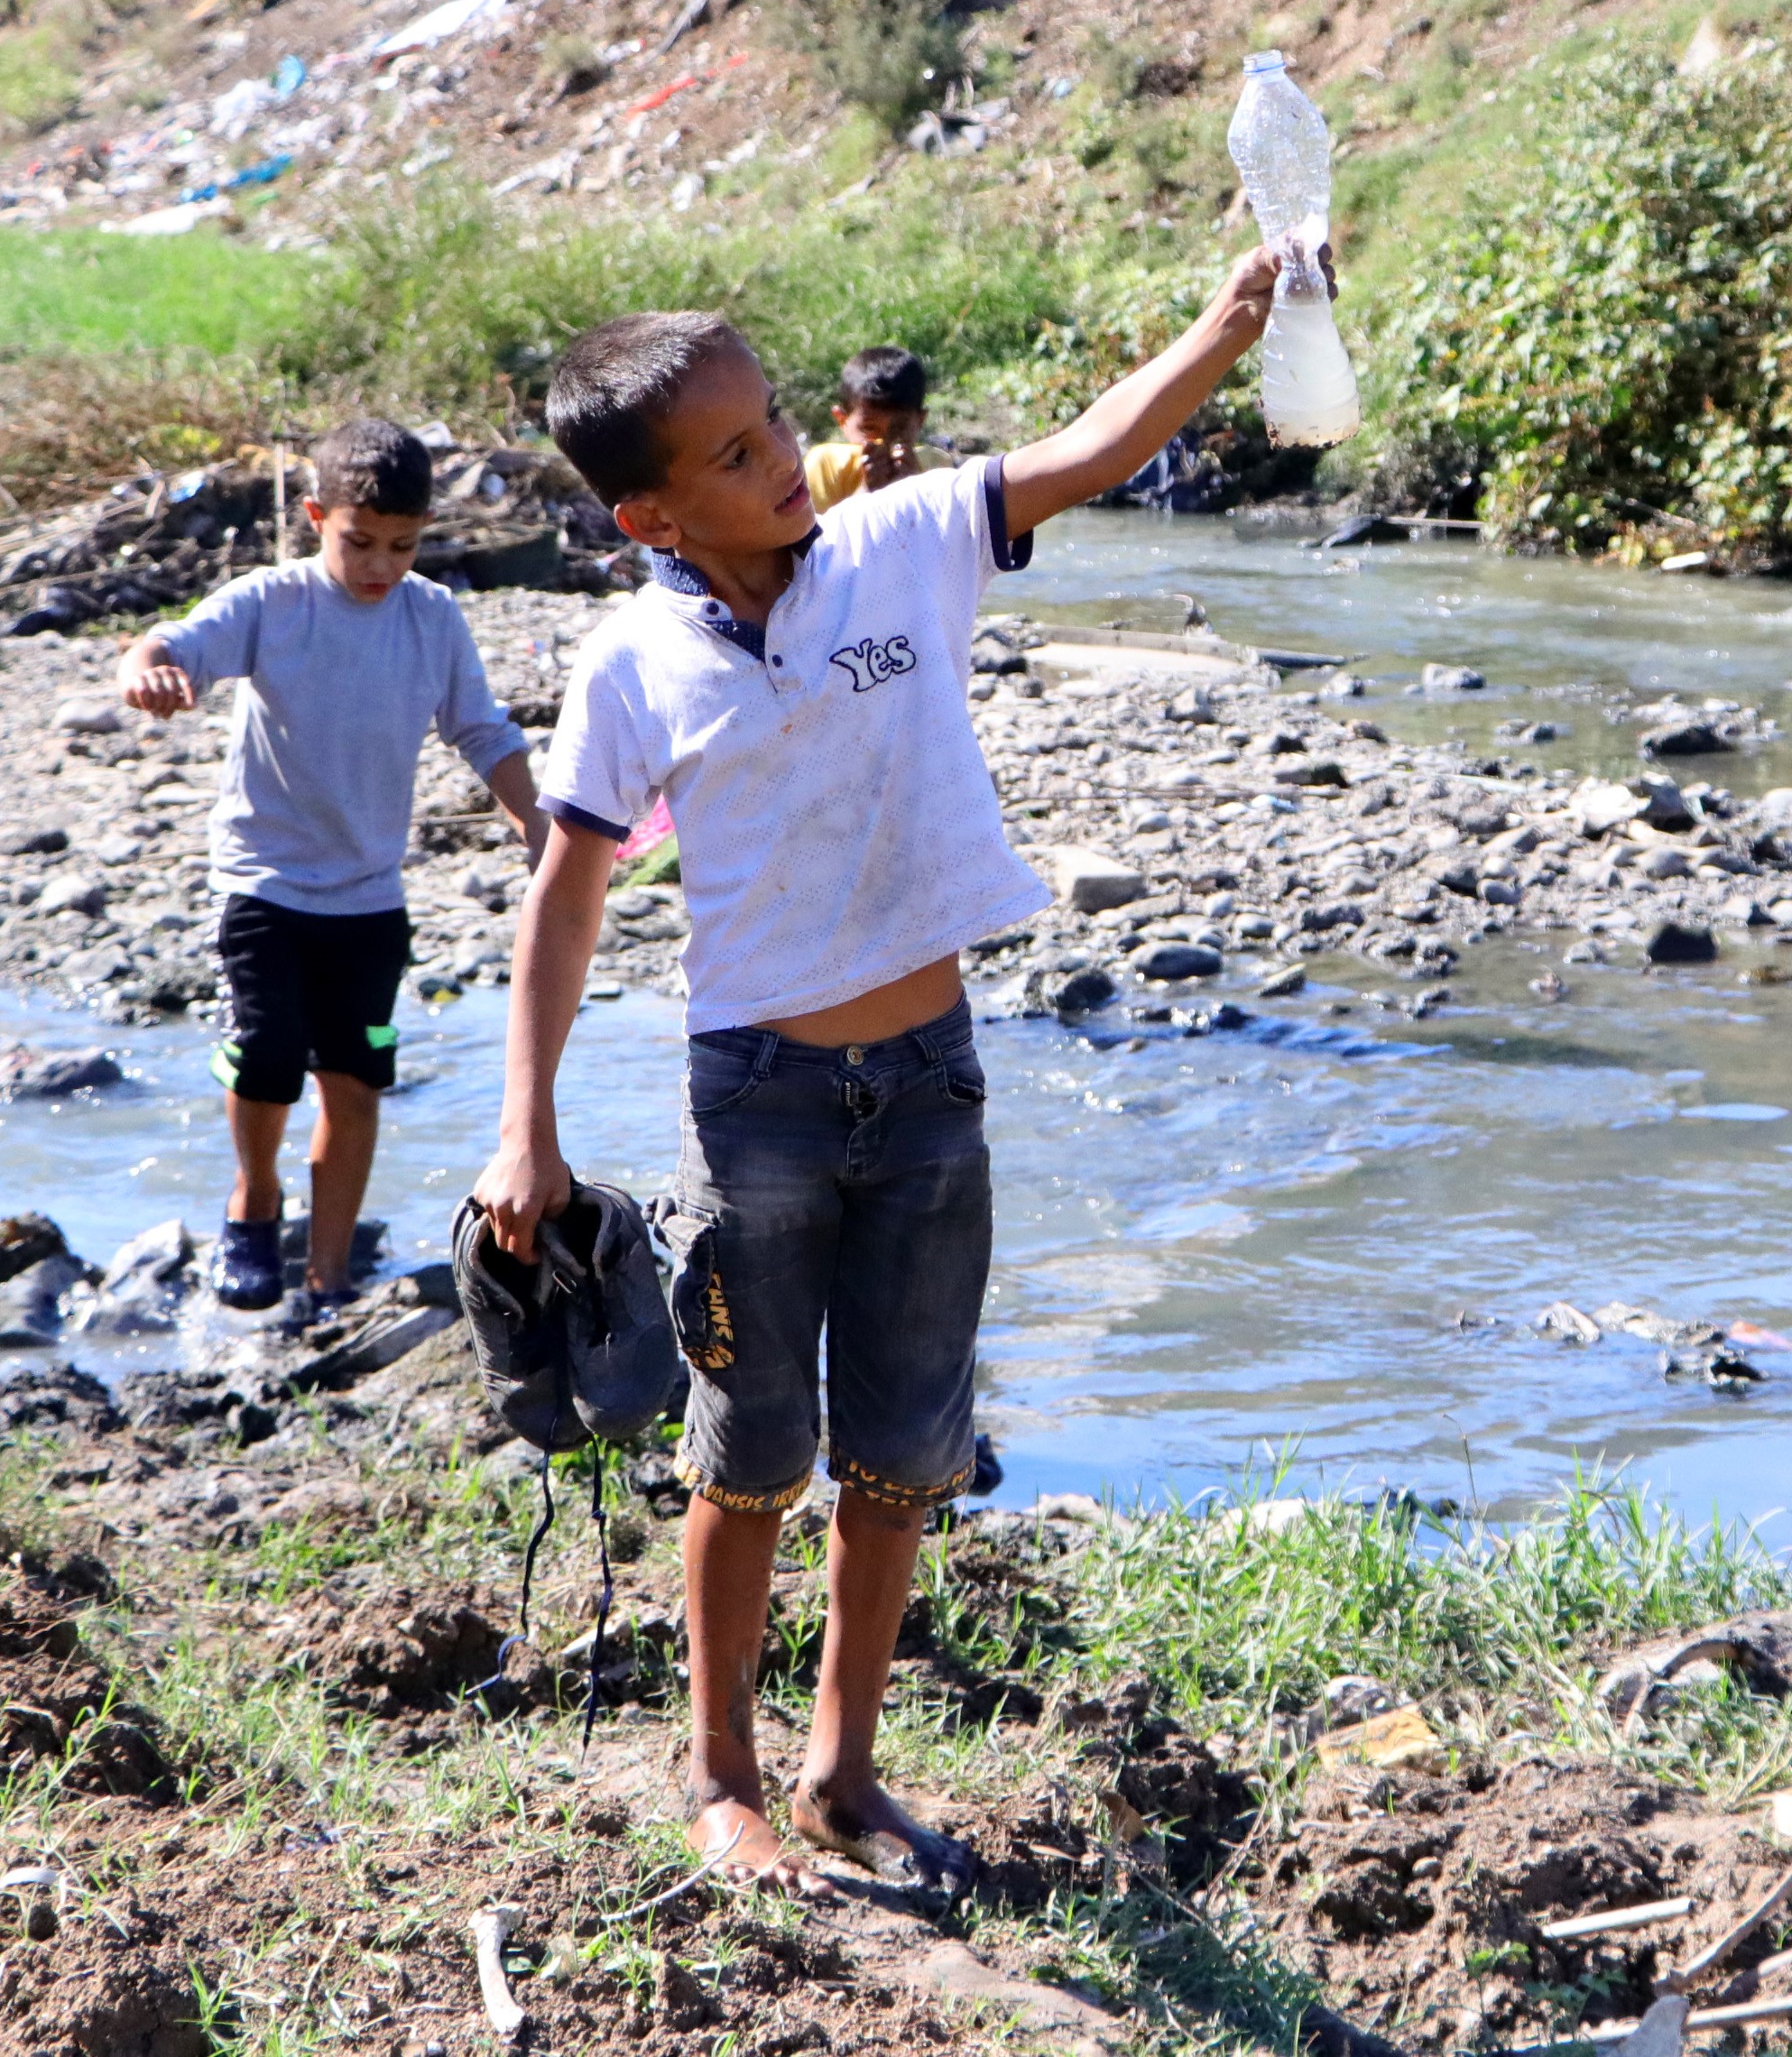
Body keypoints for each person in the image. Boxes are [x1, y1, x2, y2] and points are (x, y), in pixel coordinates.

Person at [471, 241, 1303, 1895]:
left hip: (931, 1082)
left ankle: (845, 1771)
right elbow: (567, 895)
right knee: (748, 1449)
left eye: (771, 419)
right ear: (648, 518)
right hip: (758, 1097)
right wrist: (526, 1127)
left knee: (902, 1451)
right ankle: (724, 1774)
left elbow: (1094, 446)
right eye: (729, 453)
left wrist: (1224, 322)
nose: (779, 455)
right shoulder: (631, 664)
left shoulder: (903, 543)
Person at [120, 419, 548, 1318]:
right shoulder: (273, 604)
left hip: (368, 897)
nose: (380, 565)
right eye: (359, 542)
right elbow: (170, 645)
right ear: (317, 517)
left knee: (355, 1083)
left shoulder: (431, 617)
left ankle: (328, 1275)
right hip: (263, 882)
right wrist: (146, 672)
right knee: (268, 1056)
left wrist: (538, 825)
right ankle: (254, 1202)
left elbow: (482, 730)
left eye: (403, 545)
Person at [800, 344, 956, 512]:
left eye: (899, 429)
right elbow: (819, 535)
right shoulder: (826, 465)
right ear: (842, 419)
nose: (884, 442)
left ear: (920, 421)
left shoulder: (935, 465)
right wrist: (866, 492)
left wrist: (914, 487)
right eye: (868, 429)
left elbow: (948, 531)